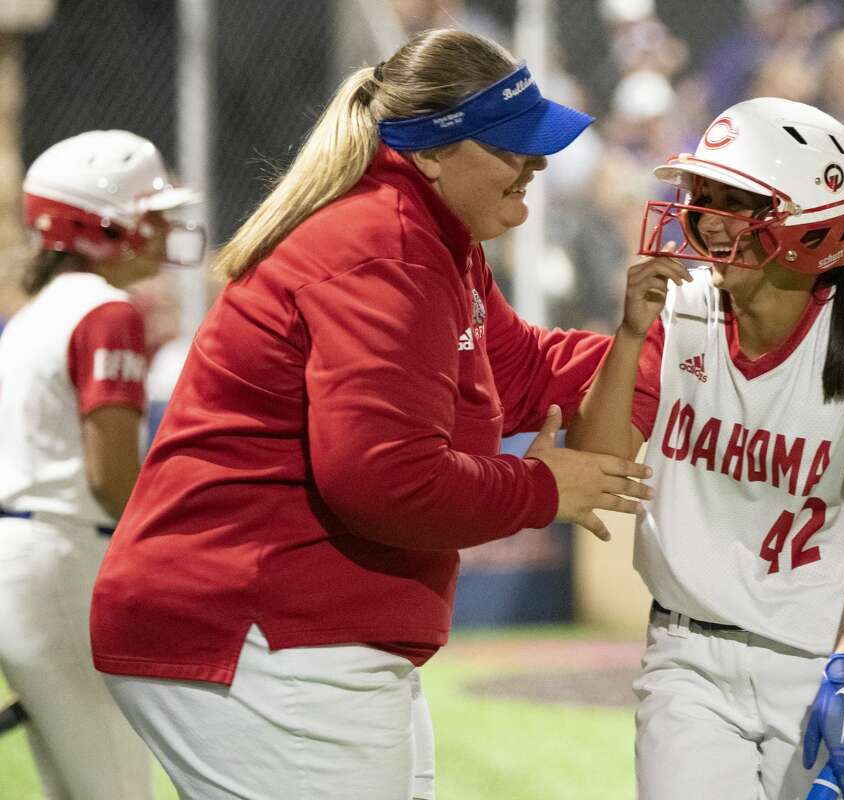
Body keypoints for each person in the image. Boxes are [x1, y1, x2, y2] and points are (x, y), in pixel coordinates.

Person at [89, 29, 651, 800]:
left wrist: (678, 358)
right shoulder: (385, 248)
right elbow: (386, 481)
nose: (538, 164)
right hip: (255, 625)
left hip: (286, 622)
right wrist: (542, 489)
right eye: (511, 144)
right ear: (429, 151)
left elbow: (525, 375)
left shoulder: (433, 239)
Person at [568, 99, 844, 800]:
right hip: (687, 657)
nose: (705, 219)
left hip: (814, 666)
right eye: (703, 197)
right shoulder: (676, 315)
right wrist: (629, 334)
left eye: (736, 202)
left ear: (810, 229)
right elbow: (594, 466)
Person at [0, 129, 202, 799]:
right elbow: (110, 474)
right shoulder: (106, 311)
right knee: (114, 787)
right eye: (152, 211)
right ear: (105, 222)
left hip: (29, 554)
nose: (165, 226)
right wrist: (171, 552)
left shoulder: (36, 313)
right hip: (62, 556)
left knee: (76, 784)